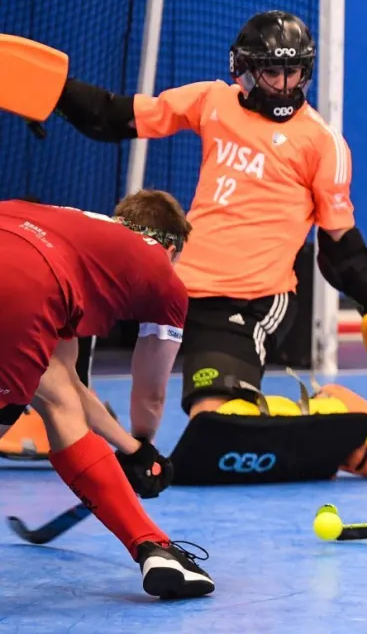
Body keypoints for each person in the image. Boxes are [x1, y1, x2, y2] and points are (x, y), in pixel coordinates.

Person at [51, 10, 367, 480]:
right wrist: (52, 93)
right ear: (242, 70)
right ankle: (60, 411)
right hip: (176, 286)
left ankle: (317, 410)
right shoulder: (212, 101)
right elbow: (113, 116)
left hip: (250, 298)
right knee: (74, 302)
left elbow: (340, 245)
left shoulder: (323, 143)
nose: (285, 86)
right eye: (272, 72)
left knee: (216, 427)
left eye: (294, 72)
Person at [0, 192, 214, 598]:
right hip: (20, 285)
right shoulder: (162, 274)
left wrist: (128, 448)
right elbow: (150, 393)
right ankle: (154, 548)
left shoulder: (71, 233)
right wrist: (145, 446)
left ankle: (154, 545)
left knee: (57, 397)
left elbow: (68, 386)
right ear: (170, 248)